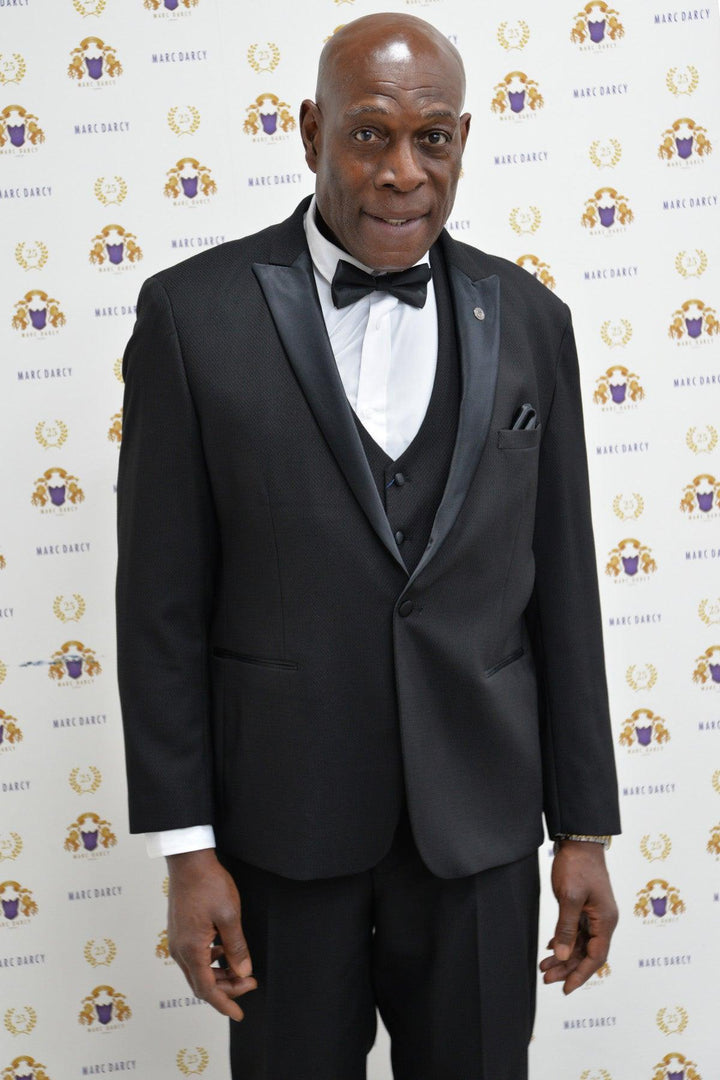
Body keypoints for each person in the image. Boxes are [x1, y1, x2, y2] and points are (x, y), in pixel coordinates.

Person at [116, 13, 620, 1080]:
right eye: (370, 136)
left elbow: (565, 589)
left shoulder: (530, 319)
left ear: (465, 141)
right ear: (310, 132)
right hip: (281, 836)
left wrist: (584, 828)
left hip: (480, 832)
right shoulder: (190, 318)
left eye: (433, 140)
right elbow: (160, 611)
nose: (404, 173)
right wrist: (185, 850)